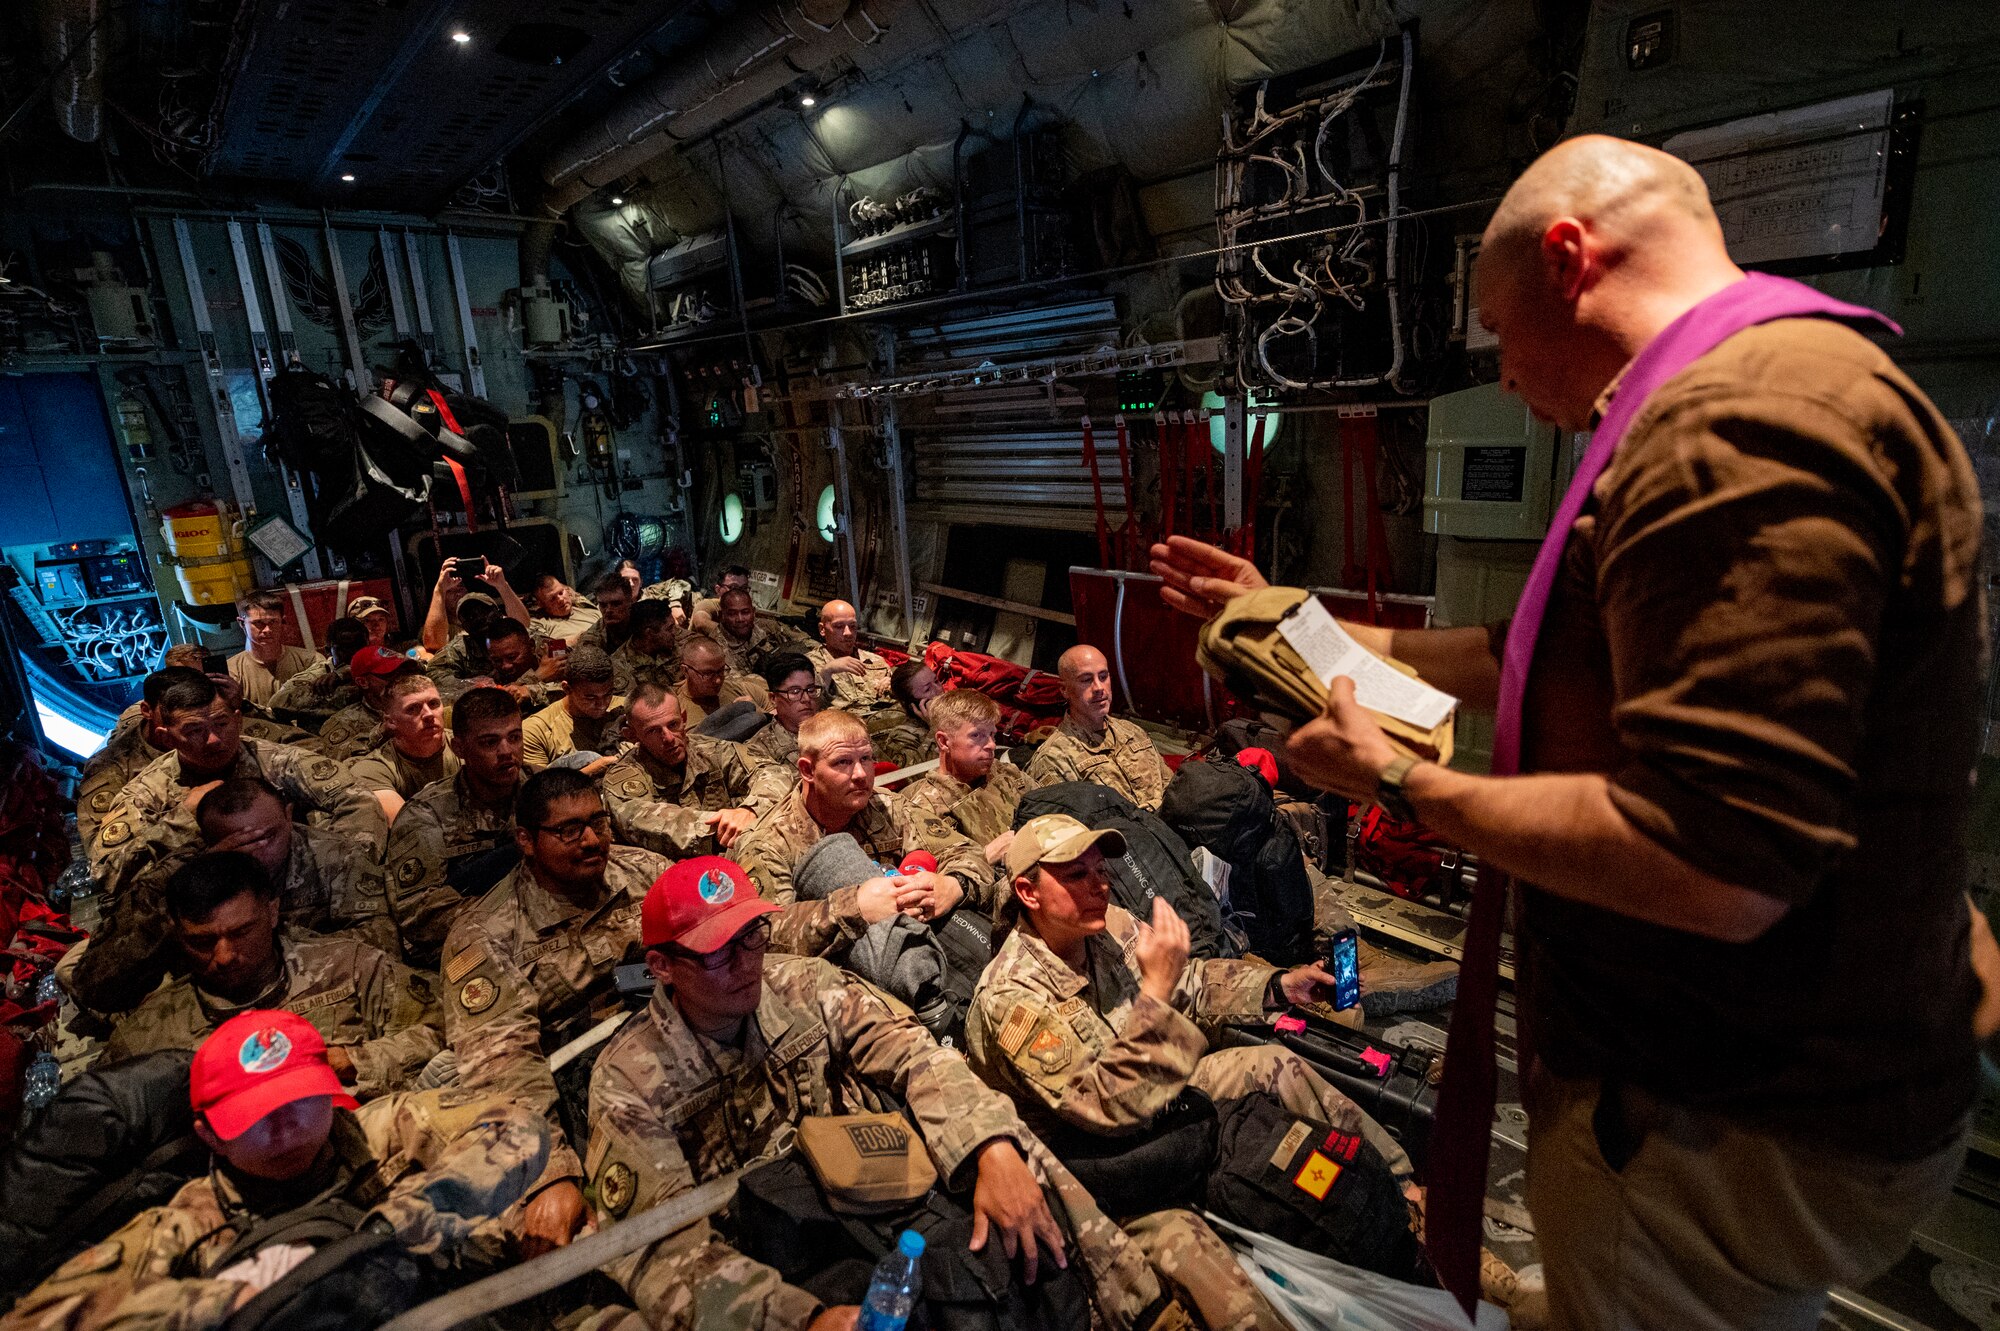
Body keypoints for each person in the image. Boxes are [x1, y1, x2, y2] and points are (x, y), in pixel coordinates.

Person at [1154, 134, 1988, 1331]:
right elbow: (1528, 657)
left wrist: (1394, 774)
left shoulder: (1727, 429)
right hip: (1761, 1079)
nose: (1496, 374)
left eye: (1495, 329)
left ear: (1568, 260)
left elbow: (1710, 857)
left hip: (1716, 1103)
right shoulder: (1772, 386)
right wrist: (1291, 618)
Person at [586, 855, 1236, 1331]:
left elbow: (917, 1055)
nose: (748, 962)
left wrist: (988, 1146)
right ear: (663, 966)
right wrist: (798, 1319)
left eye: (752, 935)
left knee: (1011, 1138)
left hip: (862, 1188)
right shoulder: (630, 1079)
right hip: (759, 1252)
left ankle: (1132, 1304)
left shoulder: (802, 984)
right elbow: (658, 1251)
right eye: (717, 952)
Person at [1, 1009, 552, 1331]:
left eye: (302, 1102)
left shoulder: (383, 1130)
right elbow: (36, 1319)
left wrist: (397, 1226)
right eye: (254, 1118)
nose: (286, 1129)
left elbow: (518, 1126)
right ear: (209, 1135)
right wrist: (237, 1297)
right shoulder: (182, 1227)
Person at [439, 770, 670, 1138]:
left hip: (672, 1030)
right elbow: (503, 1064)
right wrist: (550, 1167)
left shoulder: (647, 870)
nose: (592, 840)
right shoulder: (484, 933)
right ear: (527, 841)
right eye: (569, 830)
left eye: (598, 822)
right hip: (573, 1078)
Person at [102, 853, 444, 1100]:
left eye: (241, 932)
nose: (224, 956)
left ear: (271, 912)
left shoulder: (349, 969)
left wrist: (352, 1060)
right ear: (178, 934)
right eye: (202, 941)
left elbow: (446, 1028)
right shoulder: (148, 1035)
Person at [67, 779, 399, 1017]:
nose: (261, 852)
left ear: (288, 816)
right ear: (207, 841)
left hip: (309, 990)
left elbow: (382, 944)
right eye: (240, 844)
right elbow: (97, 984)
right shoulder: (169, 881)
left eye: (270, 835)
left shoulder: (335, 856)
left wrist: (279, 952)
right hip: (205, 1003)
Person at [93, 672, 387, 897]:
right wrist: (182, 820)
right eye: (195, 730)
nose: (214, 739)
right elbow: (107, 871)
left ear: (238, 720)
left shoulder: (275, 761)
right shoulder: (148, 791)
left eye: (221, 724)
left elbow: (355, 798)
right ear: (167, 737)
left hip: (296, 893)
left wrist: (350, 864)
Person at [733, 709, 994, 953]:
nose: (860, 774)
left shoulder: (887, 807)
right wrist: (853, 909)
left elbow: (967, 852)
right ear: (807, 770)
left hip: (909, 947)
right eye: (842, 762)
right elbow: (763, 933)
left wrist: (952, 885)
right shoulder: (769, 842)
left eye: (866, 758)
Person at [79, 665, 318, 864]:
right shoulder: (118, 771)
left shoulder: (231, 733)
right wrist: (183, 821)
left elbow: (310, 750)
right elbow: (105, 860)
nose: (212, 738)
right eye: (191, 727)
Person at [385, 687, 526, 968]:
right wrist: (523, 905)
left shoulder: (543, 790)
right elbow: (419, 916)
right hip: (466, 950)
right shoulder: (426, 816)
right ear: (458, 748)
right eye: (489, 742)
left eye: (514, 737)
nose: (506, 751)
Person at [601, 684, 777, 857]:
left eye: (673, 724)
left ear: (684, 718)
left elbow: (773, 773)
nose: (669, 738)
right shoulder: (624, 777)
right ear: (632, 735)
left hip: (734, 852)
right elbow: (642, 821)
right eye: (654, 731)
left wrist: (749, 810)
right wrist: (726, 825)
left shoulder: (711, 750)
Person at [1025, 645, 1171, 811]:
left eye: (1103, 677)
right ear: (1064, 690)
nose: (1099, 688)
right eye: (1086, 680)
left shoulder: (1133, 732)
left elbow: (1171, 790)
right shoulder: (1054, 759)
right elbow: (1062, 830)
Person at [902, 687, 1033, 865]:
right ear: (944, 741)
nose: (991, 745)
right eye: (977, 735)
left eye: (992, 734)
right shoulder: (924, 809)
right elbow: (938, 881)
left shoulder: (1009, 773)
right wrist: (986, 856)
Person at [348, 672, 459, 816]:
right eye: (413, 708)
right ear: (391, 722)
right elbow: (409, 829)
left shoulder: (467, 746)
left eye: (434, 704)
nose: (429, 714)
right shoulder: (373, 770)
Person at [520, 644, 626, 771]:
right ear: (567, 688)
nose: (602, 704)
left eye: (608, 694)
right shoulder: (536, 731)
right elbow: (540, 787)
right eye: (590, 698)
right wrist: (598, 766)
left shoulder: (628, 709)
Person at [314, 644, 427, 760]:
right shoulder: (344, 722)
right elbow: (336, 759)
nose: (402, 680)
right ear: (363, 682)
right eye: (391, 675)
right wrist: (382, 733)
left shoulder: (426, 706)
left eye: (406, 673)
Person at [225, 589, 319, 709]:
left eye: (273, 622)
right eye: (259, 623)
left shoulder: (311, 661)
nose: (267, 630)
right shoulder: (231, 672)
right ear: (242, 623)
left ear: (283, 621)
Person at [421, 556, 532, 654]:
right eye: (449, 591)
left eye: (461, 587)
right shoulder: (441, 628)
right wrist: (439, 590)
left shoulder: (490, 620)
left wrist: (502, 585)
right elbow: (434, 644)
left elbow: (522, 626)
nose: (458, 593)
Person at [267, 616, 370, 721]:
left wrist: (345, 673)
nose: (354, 654)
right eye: (344, 649)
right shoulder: (316, 676)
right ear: (328, 651)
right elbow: (276, 703)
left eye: (359, 647)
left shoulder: (376, 666)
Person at [741, 651, 819, 781]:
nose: (806, 698)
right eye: (795, 692)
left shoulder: (835, 729)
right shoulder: (759, 749)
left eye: (811, 690)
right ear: (773, 698)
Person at [700, 585, 810, 676]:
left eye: (745, 612)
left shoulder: (768, 627)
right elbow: (735, 687)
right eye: (732, 614)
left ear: (753, 612)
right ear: (721, 616)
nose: (740, 619)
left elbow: (809, 643)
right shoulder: (713, 649)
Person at [807, 598, 893, 712]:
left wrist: (895, 687)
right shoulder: (807, 665)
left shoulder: (876, 661)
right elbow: (809, 707)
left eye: (852, 626)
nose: (848, 633)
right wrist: (827, 671)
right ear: (822, 629)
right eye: (839, 626)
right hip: (839, 725)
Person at [673, 634, 768, 727]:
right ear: (685, 670)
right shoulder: (674, 711)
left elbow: (780, 724)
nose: (718, 680)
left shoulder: (745, 690)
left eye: (721, 670)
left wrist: (759, 712)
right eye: (708, 674)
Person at [872, 660, 945, 771]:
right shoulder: (902, 736)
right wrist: (935, 728)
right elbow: (914, 778)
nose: (939, 690)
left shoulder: (953, 710)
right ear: (912, 704)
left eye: (936, 681)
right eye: (927, 689)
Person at [480, 618, 563, 712]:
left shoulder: (555, 649)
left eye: (512, 657)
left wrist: (529, 691)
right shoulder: (495, 675)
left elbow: (570, 691)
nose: (505, 666)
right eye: (497, 660)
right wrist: (537, 676)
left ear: (531, 646)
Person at [610, 598, 681, 696]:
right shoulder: (619, 668)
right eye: (669, 628)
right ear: (649, 633)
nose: (675, 632)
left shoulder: (674, 643)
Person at [526, 570, 600, 650]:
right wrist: (579, 638)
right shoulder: (539, 622)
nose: (561, 599)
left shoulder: (582, 605)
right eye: (552, 598)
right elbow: (547, 651)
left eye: (561, 593)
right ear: (541, 604)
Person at [579, 570, 636, 654]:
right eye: (603, 605)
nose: (608, 610)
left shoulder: (649, 623)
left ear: (630, 601)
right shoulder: (592, 637)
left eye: (616, 604)